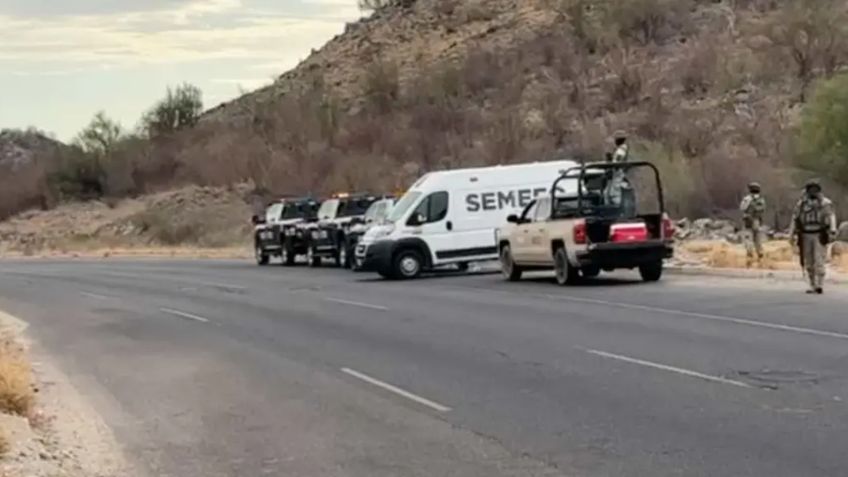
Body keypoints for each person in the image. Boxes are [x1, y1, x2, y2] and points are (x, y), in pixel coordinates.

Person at [789, 179, 838, 294]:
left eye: (815, 190)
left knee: (819, 260)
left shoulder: (825, 203)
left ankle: (819, 284)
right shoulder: (801, 204)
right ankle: (812, 284)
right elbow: (795, 218)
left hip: (819, 234)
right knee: (809, 261)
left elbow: (831, 217)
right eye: (811, 190)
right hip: (805, 234)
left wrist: (833, 230)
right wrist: (791, 233)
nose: (813, 192)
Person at [739, 182, 766, 267]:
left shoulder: (747, 199)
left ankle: (750, 258)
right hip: (758, 221)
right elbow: (763, 210)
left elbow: (742, 208)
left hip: (748, 222)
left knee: (748, 240)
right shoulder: (761, 200)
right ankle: (761, 259)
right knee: (758, 241)